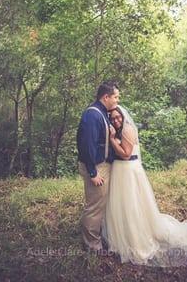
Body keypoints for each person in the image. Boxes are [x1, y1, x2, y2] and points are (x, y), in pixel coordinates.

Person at [102, 105, 187, 266]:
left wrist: (112, 139)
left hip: (128, 171)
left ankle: (136, 238)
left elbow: (125, 154)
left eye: (118, 117)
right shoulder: (117, 131)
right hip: (119, 171)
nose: (116, 120)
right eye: (112, 118)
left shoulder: (128, 130)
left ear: (123, 116)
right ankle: (122, 235)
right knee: (122, 205)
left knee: (133, 205)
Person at [76, 80, 120, 252]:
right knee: (94, 206)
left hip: (101, 165)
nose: (117, 101)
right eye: (116, 97)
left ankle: (97, 235)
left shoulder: (102, 113)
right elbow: (87, 145)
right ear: (106, 96)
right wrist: (93, 172)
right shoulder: (92, 115)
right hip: (95, 167)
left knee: (100, 203)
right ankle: (92, 245)